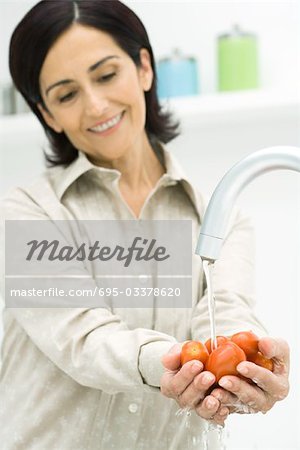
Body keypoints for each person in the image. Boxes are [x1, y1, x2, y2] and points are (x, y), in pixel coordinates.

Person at [0, 1, 290, 449]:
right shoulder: (30, 213)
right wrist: (173, 365)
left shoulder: (219, 216)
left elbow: (225, 314)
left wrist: (251, 362)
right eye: (66, 94)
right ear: (48, 114)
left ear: (144, 69)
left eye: (106, 74)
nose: (96, 105)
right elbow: (82, 339)